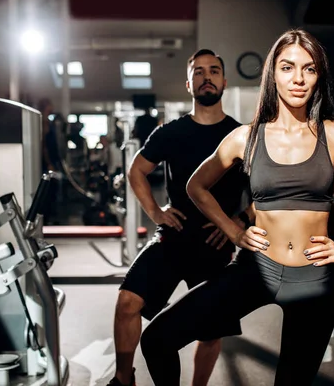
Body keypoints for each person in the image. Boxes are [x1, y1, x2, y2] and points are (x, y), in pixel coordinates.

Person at [140, 29, 334, 385]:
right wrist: (234, 231)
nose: (298, 78)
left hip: (313, 280)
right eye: (288, 67)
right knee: (157, 338)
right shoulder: (245, 137)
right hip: (254, 270)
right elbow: (196, 186)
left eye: (309, 69)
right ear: (273, 74)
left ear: (319, 77)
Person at [108, 49, 254, 386]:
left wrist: (238, 223)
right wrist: (155, 212)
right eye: (199, 72)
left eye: (214, 71)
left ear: (224, 81)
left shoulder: (241, 136)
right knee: (127, 302)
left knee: (211, 329)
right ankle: (122, 378)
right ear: (189, 83)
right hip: (174, 237)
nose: (207, 77)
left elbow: (264, 191)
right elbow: (137, 171)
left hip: (214, 242)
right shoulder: (170, 133)